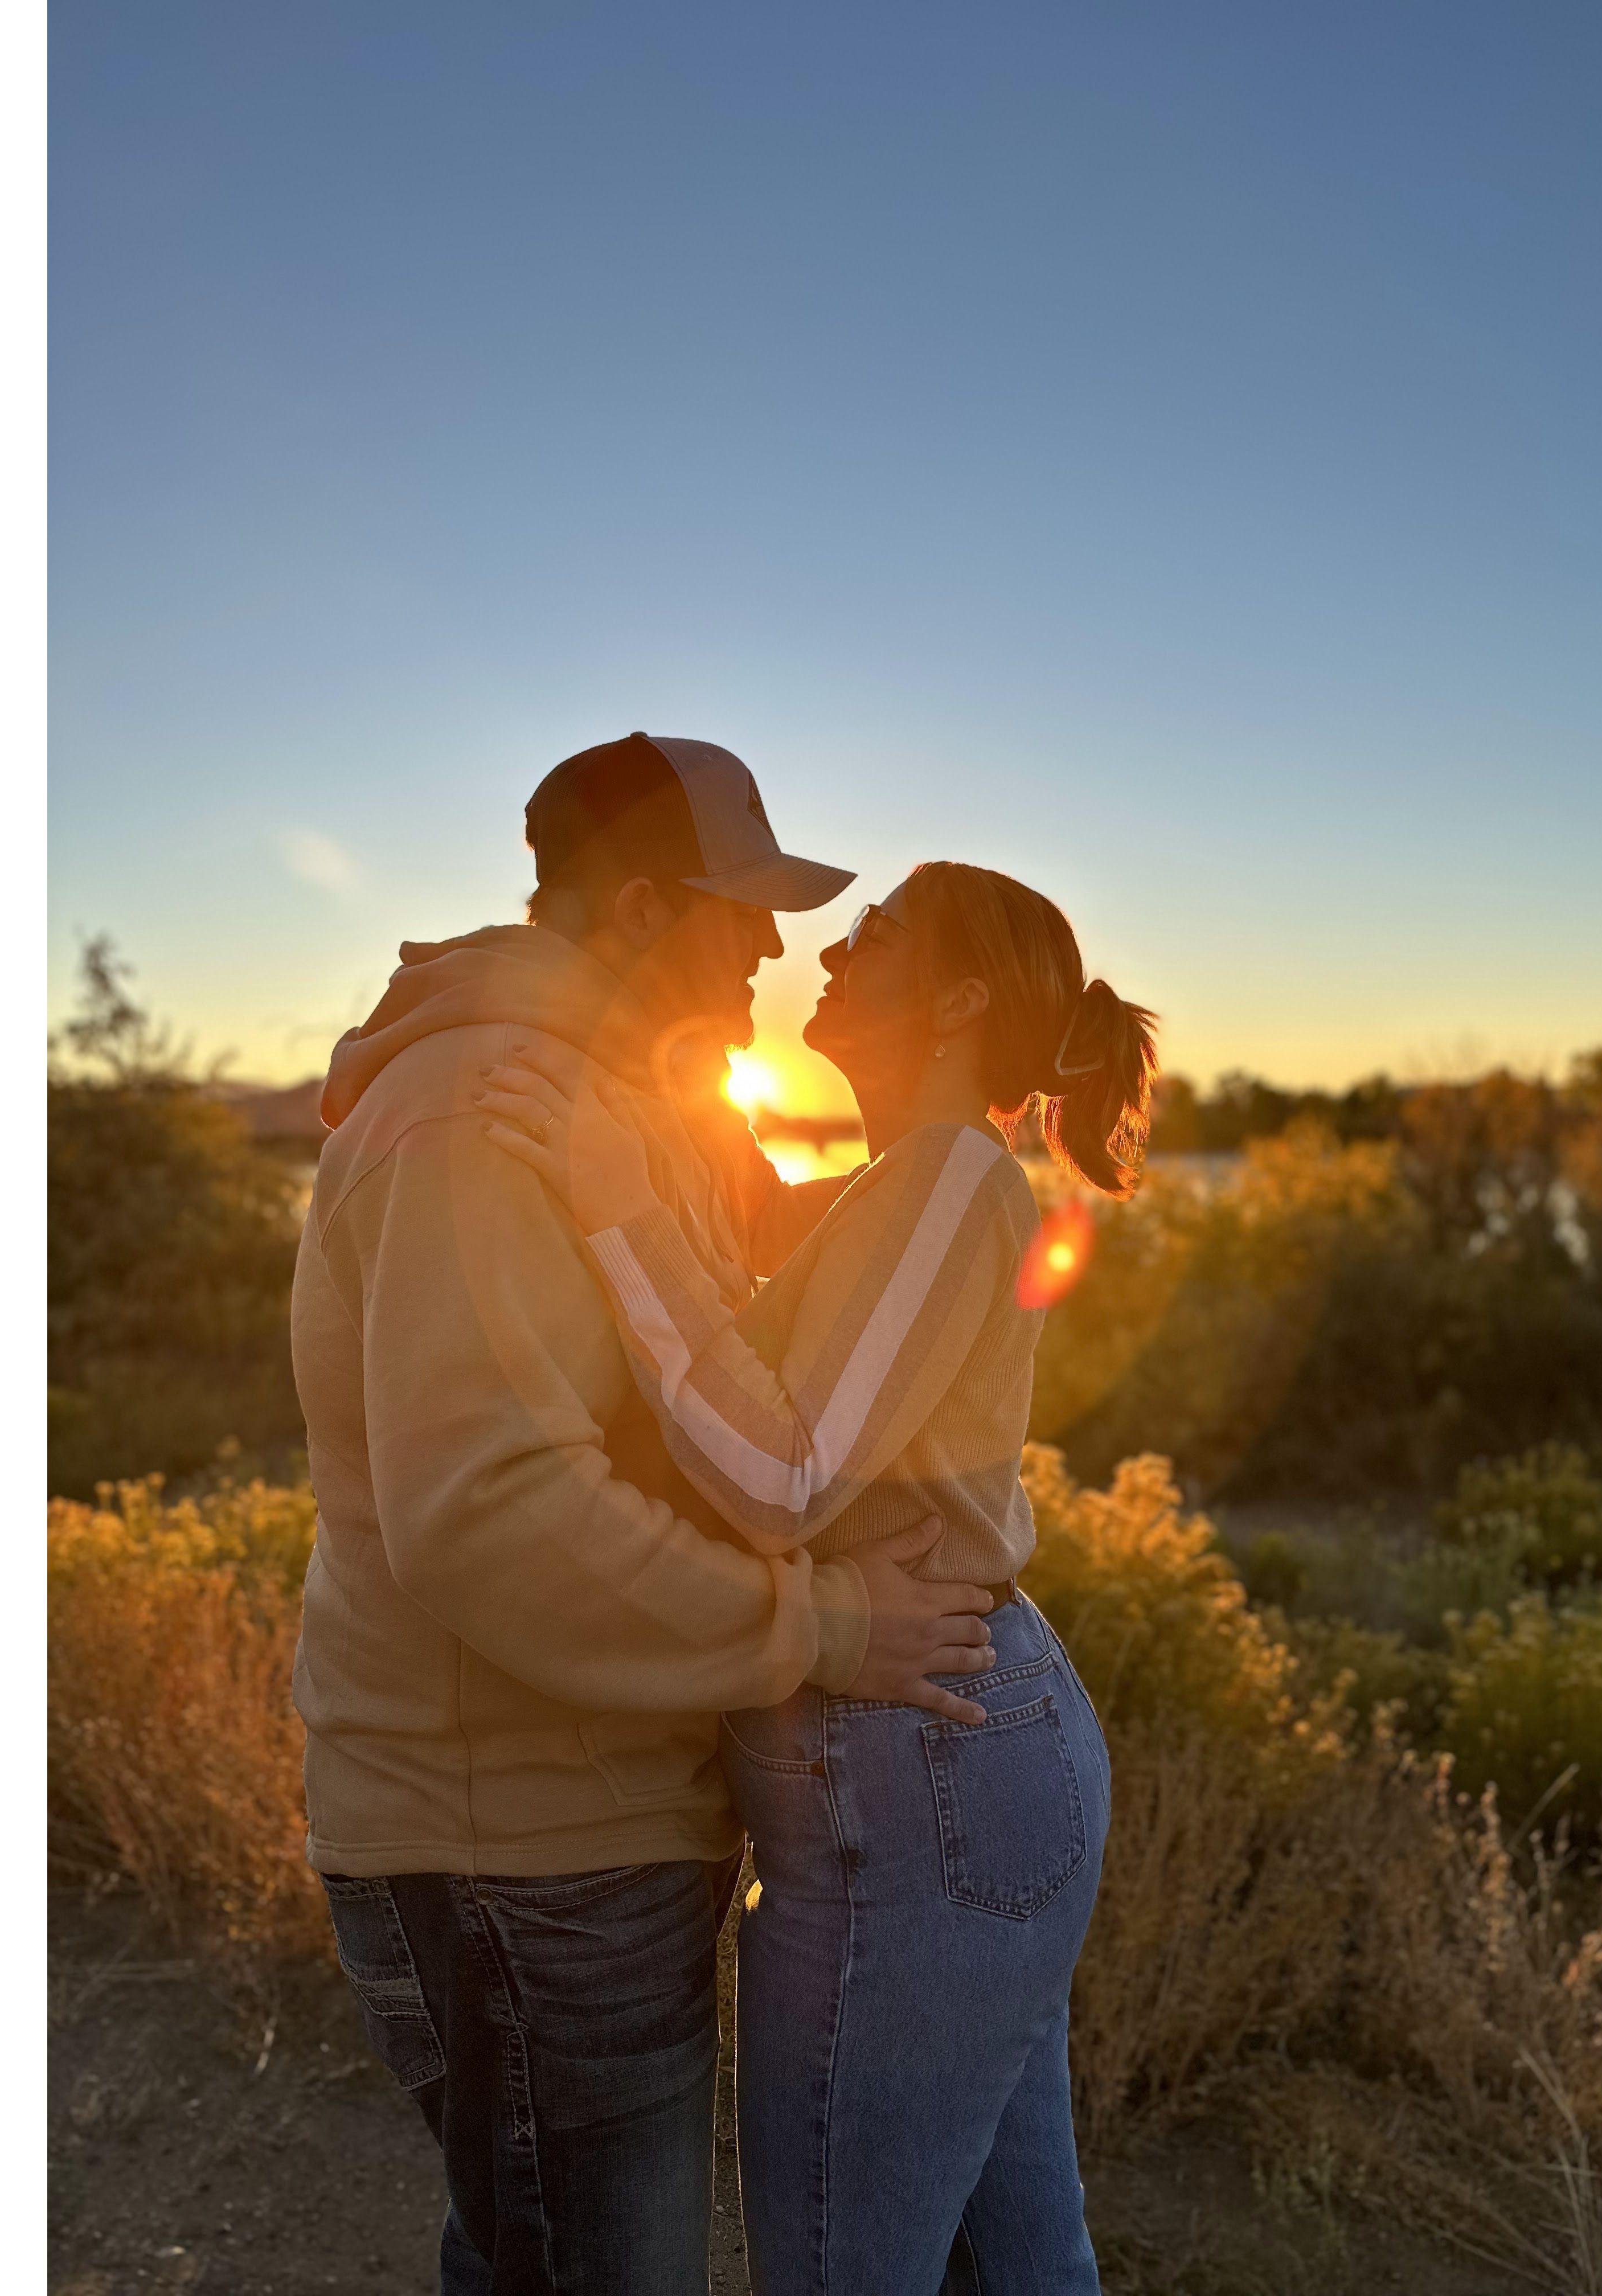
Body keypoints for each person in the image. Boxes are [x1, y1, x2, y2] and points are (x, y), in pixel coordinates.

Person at [290, 734, 1001, 2296]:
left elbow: (749, 1325)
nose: (770, 942)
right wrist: (823, 1629)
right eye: (733, 906)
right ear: (626, 910)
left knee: (527, 2252)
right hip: (520, 1851)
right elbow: (491, 1512)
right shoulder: (486, 1111)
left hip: (588, 1816)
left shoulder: (633, 1103)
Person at [480, 858, 1157, 2295]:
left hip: (925, 1779)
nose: (831, 952)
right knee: (1023, 2264)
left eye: (880, 933)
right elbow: (739, 1301)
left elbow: (783, 1481)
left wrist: (613, 1209)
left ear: (962, 995)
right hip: (935, 1765)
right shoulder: (894, 1189)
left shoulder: (955, 1177)